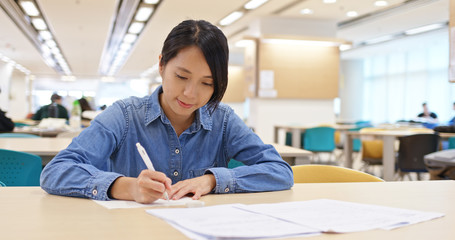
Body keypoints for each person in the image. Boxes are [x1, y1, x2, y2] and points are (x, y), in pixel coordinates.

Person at [40, 20, 294, 203]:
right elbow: (56, 171)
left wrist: (212, 181)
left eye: (207, 83)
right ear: (161, 65)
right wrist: (125, 187)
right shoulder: (125, 115)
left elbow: (280, 171)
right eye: (181, 76)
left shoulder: (223, 120)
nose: (190, 94)